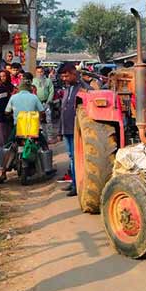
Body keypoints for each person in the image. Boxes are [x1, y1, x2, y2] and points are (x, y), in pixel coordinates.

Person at [0, 82, 48, 184]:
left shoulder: (13, 97)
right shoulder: (34, 97)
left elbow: (7, 112)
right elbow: (42, 111)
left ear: (19, 89)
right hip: (33, 128)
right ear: (29, 89)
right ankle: (47, 168)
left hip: (18, 128)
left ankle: (3, 173)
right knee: (44, 145)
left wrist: (12, 115)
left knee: (8, 146)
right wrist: (41, 119)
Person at [59, 63, 90, 197]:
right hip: (66, 128)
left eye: (66, 76)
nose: (64, 78)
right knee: (71, 157)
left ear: (73, 73)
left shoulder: (82, 88)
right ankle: (74, 182)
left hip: (76, 128)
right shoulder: (67, 89)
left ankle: (78, 185)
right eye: (62, 76)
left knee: (76, 157)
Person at [0, 70, 14, 163]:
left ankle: (9, 161)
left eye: (4, 76)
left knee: (9, 141)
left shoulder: (12, 87)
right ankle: (0, 163)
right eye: (1, 76)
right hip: (0, 118)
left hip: (10, 117)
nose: (2, 78)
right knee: (1, 142)